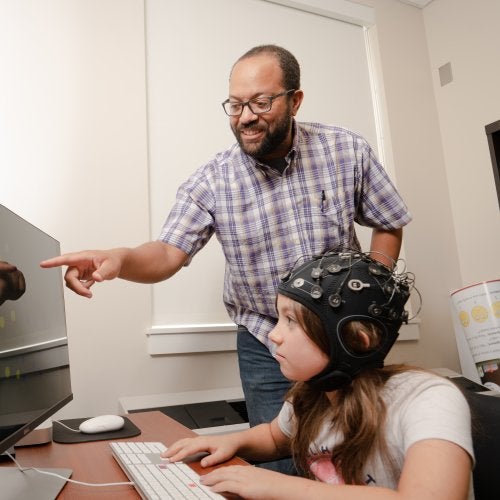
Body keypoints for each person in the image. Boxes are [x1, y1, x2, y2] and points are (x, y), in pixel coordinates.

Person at [40, 45, 411, 473]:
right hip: (266, 341)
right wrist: (120, 259)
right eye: (235, 105)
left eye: (261, 102)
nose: (246, 116)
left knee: (364, 459)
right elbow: (166, 253)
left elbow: (389, 220)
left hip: (345, 338)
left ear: (295, 100)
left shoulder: (345, 149)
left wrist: (372, 302)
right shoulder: (211, 180)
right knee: (282, 464)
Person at [161, 251, 474, 500]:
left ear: (354, 339)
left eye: (291, 322)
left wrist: (279, 487)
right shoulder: (312, 395)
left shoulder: (428, 398)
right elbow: (274, 437)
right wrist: (228, 442)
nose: (274, 336)